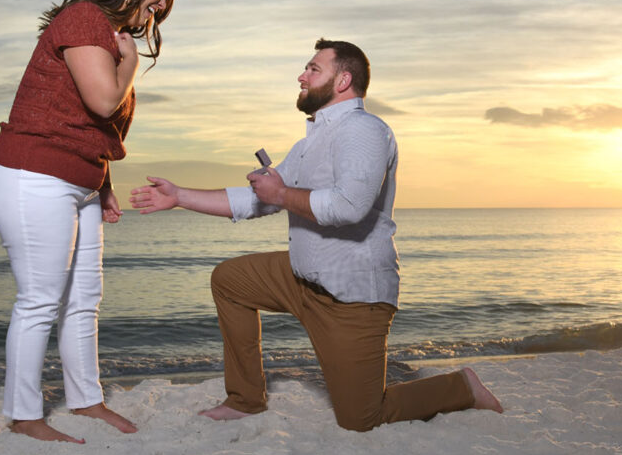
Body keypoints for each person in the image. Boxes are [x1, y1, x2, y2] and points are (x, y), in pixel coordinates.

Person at [129, 39, 502, 431]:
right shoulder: (310, 143)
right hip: (300, 278)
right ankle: (245, 399)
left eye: (312, 69)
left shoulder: (364, 130)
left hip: (351, 295)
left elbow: (349, 206)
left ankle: (462, 387)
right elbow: (257, 200)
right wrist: (180, 196)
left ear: (343, 80)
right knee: (229, 280)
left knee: (361, 419)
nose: (301, 76)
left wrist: (283, 193)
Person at [0, 0, 175, 444]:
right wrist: (128, 62)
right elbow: (103, 100)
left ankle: (86, 401)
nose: (161, 4)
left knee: (84, 299)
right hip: (33, 174)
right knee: (40, 300)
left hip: (78, 181)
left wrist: (103, 183)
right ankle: (25, 416)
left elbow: (87, 127)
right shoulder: (85, 18)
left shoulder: (106, 33)